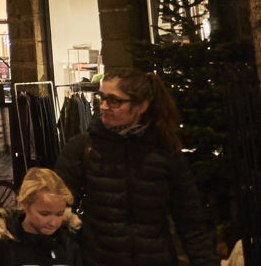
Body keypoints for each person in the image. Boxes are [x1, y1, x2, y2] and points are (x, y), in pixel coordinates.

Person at [55, 68, 215, 266]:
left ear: (141, 106)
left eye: (114, 100)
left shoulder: (164, 151)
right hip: (97, 258)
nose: (104, 106)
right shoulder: (82, 147)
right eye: (102, 98)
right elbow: (55, 207)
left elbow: (190, 221)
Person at [0, 167, 81, 266]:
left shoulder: (69, 241)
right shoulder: (1, 245)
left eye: (59, 214)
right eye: (44, 214)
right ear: (24, 204)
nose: (53, 223)